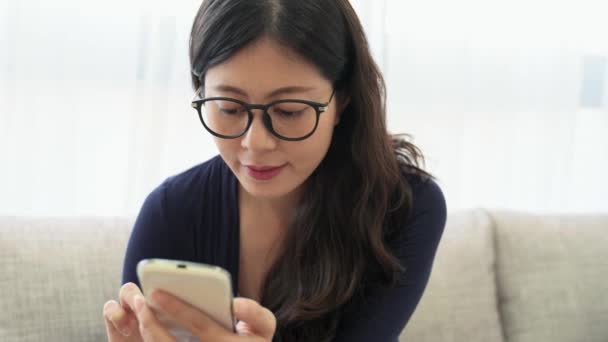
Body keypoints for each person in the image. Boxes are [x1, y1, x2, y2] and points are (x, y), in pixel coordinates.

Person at [102, 0, 447, 341]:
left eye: (289, 111)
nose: (256, 143)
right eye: (229, 108)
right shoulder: (170, 213)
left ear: (342, 102)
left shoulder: (405, 206)